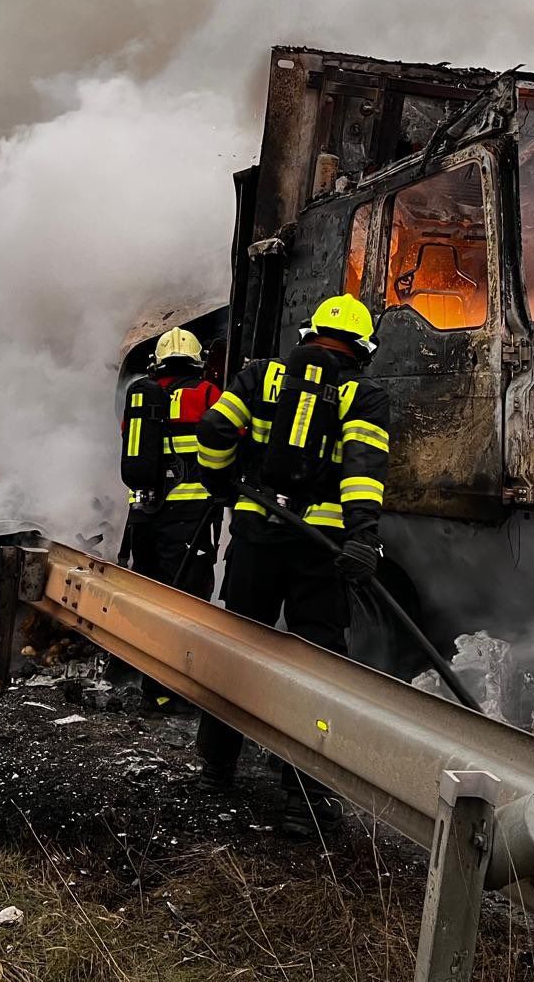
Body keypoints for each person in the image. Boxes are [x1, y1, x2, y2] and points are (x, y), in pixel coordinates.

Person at [193, 294, 390, 836]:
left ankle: (216, 769)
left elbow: (213, 430)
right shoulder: (364, 394)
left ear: (308, 333)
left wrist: (221, 483)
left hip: (256, 538)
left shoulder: (261, 375)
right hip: (318, 548)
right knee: (317, 665)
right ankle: (305, 799)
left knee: (239, 646)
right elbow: (363, 470)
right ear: (362, 349)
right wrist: (363, 537)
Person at [120, 327, 222, 713]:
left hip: (143, 515)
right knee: (187, 604)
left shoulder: (141, 395)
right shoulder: (206, 394)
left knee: (151, 600)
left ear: (157, 362)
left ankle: (152, 688)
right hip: (188, 518)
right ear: (197, 362)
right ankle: (177, 690)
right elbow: (233, 436)